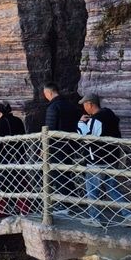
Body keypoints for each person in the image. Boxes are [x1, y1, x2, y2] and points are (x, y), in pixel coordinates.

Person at [77, 92, 131, 228]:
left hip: (96, 161)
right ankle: (129, 216)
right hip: (111, 158)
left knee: (92, 190)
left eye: (84, 105)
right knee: (112, 188)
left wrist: (81, 123)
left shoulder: (96, 120)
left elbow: (87, 139)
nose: (84, 108)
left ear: (90, 104)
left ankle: (95, 218)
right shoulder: (109, 114)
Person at [43, 82, 81, 215]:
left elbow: (50, 129)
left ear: (50, 92)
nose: (46, 97)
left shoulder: (53, 107)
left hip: (57, 147)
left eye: (46, 94)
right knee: (67, 173)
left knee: (58, 175)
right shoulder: (70, 105)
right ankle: (73, 202)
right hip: (70, 145)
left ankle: (67, 205)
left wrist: (44, 147)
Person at [0, 102, 30, 217]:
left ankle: (2, 211)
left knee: (2, 184)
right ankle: (24, 209)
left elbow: (2, 140)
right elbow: (23, 136)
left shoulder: (3, 121)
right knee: (21, 183)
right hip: (19, 156)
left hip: (7, 158)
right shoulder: (18, 120)